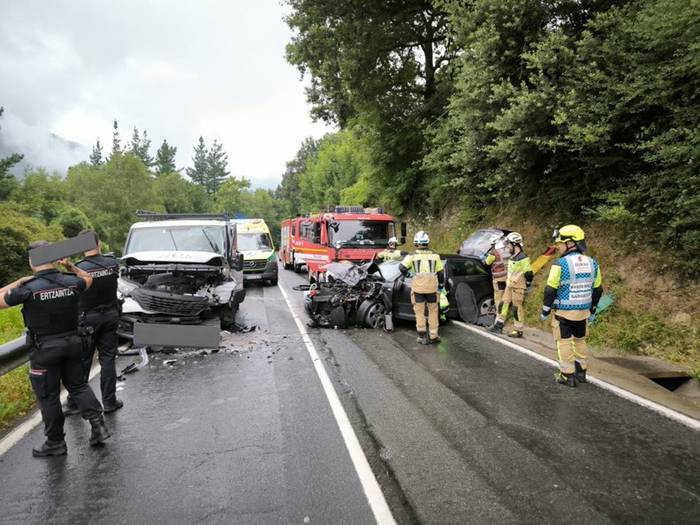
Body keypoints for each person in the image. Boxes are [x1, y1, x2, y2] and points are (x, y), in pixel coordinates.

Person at [0, 240, 110, 457]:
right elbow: (88, 279)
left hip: (45, 350)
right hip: (73, 344)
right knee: (78, 386)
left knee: (48, 396)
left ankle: (55, 442)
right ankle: (99, 427)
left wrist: (18, 281)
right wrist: (70, 266)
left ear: (32, 261)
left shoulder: (26, 289)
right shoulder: (71, 282)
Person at [64, 231, 123, 415]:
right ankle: (109, 402)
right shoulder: (112, 263)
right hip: (111, 316)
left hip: (87, 319)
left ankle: (74, 403)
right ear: (99, 244)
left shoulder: (79, 268)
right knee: (107, 360)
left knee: (83, 361)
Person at [540, 225, 603, 387]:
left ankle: (567, 375)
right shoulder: (593, 263)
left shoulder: (560, 264)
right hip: (583, 312)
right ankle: (581, 372)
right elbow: (598, 289)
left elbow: (550, 289)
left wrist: (546, 309)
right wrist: (593, 308)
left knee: (564, 341)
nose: (558, 246)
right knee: (580, 340)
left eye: (561, 243)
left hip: (564, 312)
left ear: (571, 243)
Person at [399, 231, 444, 345]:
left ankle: (422, 336)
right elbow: (441, 273)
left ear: (416, 243)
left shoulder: (412, 255)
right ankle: (434, 336)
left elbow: (402, 267)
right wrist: (441, 285)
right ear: (427, 242)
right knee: (433, 311)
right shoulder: (435, 255)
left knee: (419, 312)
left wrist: (409, 275)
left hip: (418, 288)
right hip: (432, 288)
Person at [490, 232, 533, 338]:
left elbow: (529, 273)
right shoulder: (513, 256)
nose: (507, 247)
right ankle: (498, 325)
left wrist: (527, 283)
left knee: (516, 308)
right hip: (509, 285)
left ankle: (518, 330)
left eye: (509, 244)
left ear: (515, 244)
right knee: (502, 304)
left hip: (518, 287)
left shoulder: (523, 257)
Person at [481, 238, 510, 314]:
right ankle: (506, 310)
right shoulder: (506, 250)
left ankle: (500, 314)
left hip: (498, 278)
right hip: (507, 276)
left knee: (498, 297)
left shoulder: (493, 252)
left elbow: (487, 263)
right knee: (506, 295)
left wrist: (484, 259)